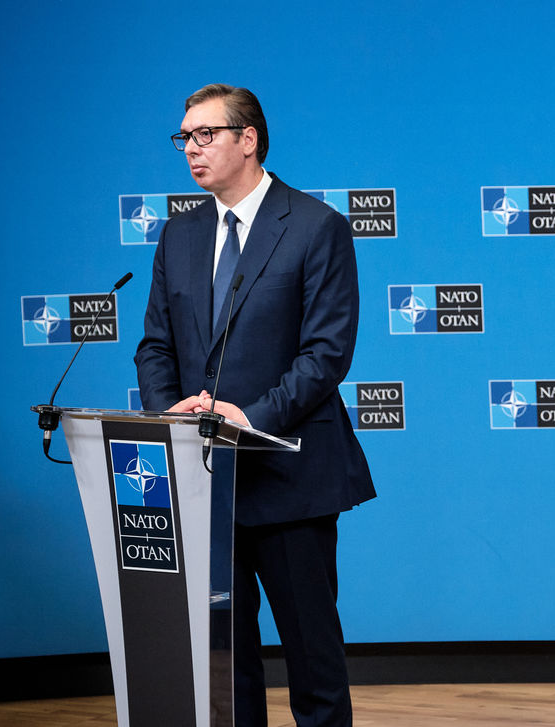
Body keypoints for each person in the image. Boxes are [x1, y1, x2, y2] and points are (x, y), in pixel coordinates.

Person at [135, 83, 375, 727]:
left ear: (249, 140)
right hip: (204, 482)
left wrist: (250, 418)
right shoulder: (178, 234)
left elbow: (326, 354)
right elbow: (155, 347)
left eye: (205, 134)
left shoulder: (316, 225)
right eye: (184, 137)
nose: (191, 148)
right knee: (226, 665)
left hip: (289, 475)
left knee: (312, 661)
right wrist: (172, 415)